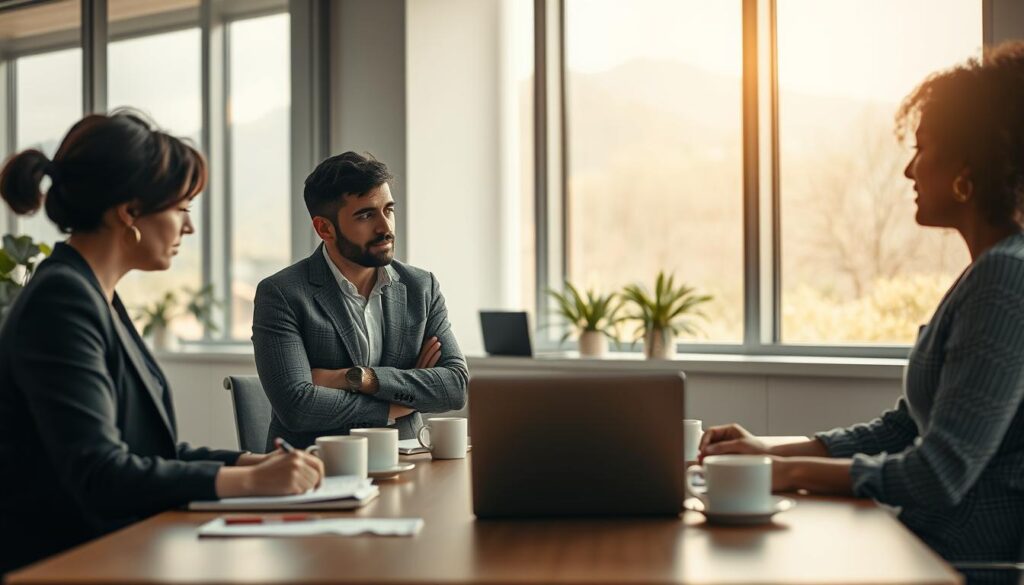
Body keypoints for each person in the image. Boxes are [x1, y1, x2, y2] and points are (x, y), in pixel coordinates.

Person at [700, 43, 1024, 578]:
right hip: (919, 545)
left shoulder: (1004, 279)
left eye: (923, 150)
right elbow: (905, 428)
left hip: (954, 565)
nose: (908, 170)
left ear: (968, 166)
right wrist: (771, 452)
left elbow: (938, 474)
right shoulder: (984, 272)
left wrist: (779, 474)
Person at [0, 111, 324, 575]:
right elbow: (101, 473)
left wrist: (254, 461)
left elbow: (149, 453)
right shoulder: (62, 301)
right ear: (129, 212)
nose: (188, 229)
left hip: (115, 551)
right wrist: (249, 480)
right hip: (69, 564)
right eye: (182, 209)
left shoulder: (95, 294)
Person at [252, 152, 468, 450]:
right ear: (324, 228)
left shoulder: (421, 287)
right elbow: (298, 407)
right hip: (316, 473)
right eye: (366, 215)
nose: (385, 227)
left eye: (388, 210)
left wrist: (359, 379)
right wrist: (399, 403)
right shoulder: (282, 294)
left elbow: (455, 387)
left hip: (406, 459)